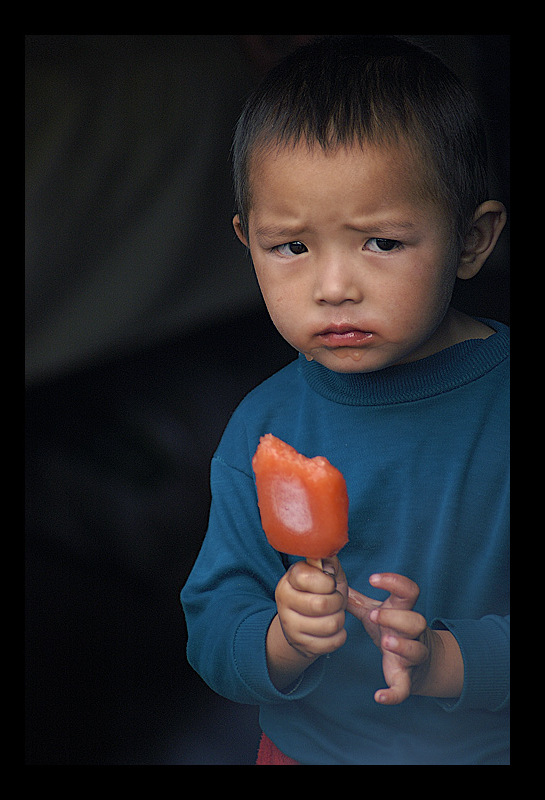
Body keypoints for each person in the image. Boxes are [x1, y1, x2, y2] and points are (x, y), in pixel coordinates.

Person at [180, 35, 509, 765]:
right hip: (307, 751)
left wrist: (449, 661)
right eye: (290, 247)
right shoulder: (262, 431)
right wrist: (280, 639)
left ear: (471, 239)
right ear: (247, 244)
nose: (332, 288)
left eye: (381, 243)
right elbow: (211, 629)